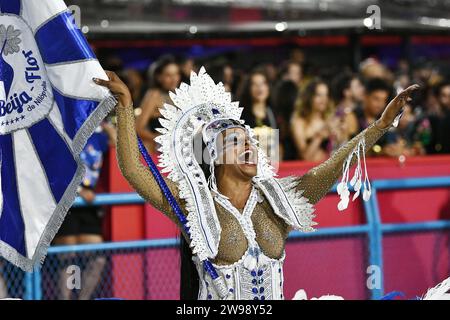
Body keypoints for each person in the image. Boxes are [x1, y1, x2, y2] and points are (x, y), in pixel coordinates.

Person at [93, 69, 418, 300]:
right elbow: (135, 170)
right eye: (235, 141)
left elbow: (334, 165)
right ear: (215, 156)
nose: (248, 144)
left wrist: (380, 126)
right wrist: (124, 107)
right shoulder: (195, 204)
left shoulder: (279, 201)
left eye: (249, 138)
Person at [53, 121, 116, 300]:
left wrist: (110, 128)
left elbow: (122, 149)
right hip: (65, 202)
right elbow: (53, 169)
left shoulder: (99, 136)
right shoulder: (64, 131)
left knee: (97, 259)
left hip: (87, 206)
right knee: (68, 258)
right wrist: (79, 190)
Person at [345, 78, 405, 157]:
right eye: (376, 99)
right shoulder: (352, 117)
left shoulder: (385, 117)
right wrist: (380, 152)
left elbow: (399, 142)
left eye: (383, 100)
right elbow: (349, 151)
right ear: (366, 97)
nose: (380, 104)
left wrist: (398, 148)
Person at [135, 55, 181, 154]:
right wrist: (162, 140)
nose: (174, 79)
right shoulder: (154, 95)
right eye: (168, 75)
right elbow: (138, 128)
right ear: (159, 77)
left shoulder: (177, 95)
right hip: (159, 153)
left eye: (176, 74)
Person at [291, 80, 341, 162]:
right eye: (319, 95)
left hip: (330, 171)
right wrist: (320, 136)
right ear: (309, 97)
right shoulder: (299, 122)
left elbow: (340, 152)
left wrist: (341, 136)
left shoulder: (330, 119)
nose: (323, 99)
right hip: (306, 171)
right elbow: (305, 157)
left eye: (326, 95)